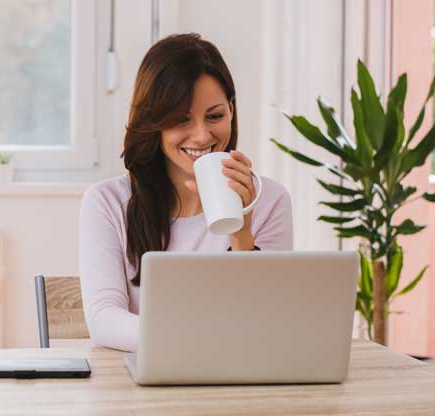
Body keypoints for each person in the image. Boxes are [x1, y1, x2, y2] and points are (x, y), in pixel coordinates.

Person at [79, 33, 293, 352]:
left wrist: (242, 235)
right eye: (181, 119)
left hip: (238, 383)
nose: (202, 135)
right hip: (141, 386)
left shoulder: (270, 199)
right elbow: (105, 321)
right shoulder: (108, 202)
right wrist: (198, 341)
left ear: (232, 110)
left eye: (215, 116)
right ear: (154, 122)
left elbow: (269, 322)